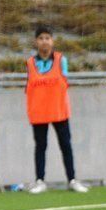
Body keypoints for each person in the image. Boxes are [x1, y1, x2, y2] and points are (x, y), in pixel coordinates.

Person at [25, 24, 88, 194]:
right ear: (36, 42)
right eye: (41, 38)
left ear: (52, 41)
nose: (44, 42)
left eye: (47, 38)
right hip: (39, 112)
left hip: (59, 111)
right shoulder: (30, 63)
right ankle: (40, 180)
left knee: (66, 145)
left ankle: (72, 179)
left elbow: (64, 82)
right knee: (40, 146)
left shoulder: (61, 61)